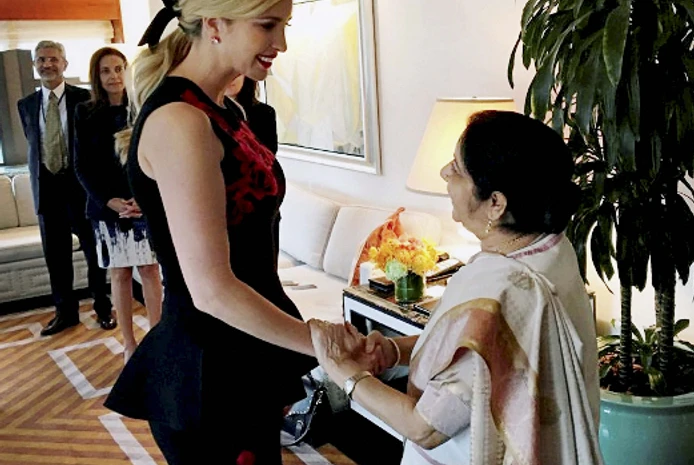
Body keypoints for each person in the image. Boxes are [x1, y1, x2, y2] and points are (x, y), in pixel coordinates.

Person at [103, 1, 380, 463]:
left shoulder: (222, 108)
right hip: (209, 370)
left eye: (284, 26)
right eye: (268, 26)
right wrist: (319, 341)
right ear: (215, 25)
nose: (282, 44)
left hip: (241, 358)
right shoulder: (180, 121)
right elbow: (211, 290)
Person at [309, 111, 604, 465]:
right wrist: (393, 349)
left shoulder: (506, 292)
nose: (444, 172)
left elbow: (425, 428)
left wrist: (345, 372)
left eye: (457, 168)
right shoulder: (551, 248)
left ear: (495, 202)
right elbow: (485, 353)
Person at [17, 40, 115, 336]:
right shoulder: (26, 105)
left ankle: (102, 309)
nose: (47, 64)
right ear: (35, 65)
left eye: (53, 59)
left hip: (82, 190)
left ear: (65, 64)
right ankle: (66, 313)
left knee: (94, 253)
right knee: (56, 258)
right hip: (47, 192)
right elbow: (34, 145)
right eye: (41, 60)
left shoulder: (85, 99)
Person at [74, 47, 163, 363]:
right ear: (97, 77)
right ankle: (129, 345)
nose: (113, 76)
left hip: (142, 204)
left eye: (118, 68)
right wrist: (108, 201)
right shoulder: (84, 112)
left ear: (126, 71)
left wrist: (143, 196)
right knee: (120, 275)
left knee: (150, 271)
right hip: (105, 208)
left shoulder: (142, 108)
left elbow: (154, 156)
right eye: (105, 70)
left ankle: (158, 340)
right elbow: (81, 165)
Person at [224, 75, 278, 153]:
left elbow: (269, 156)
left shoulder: (265, 113)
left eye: (237, 74)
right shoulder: (206, 112)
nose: (230, 79)